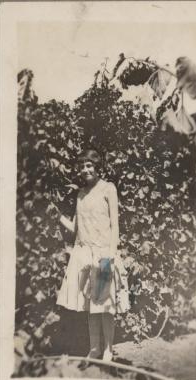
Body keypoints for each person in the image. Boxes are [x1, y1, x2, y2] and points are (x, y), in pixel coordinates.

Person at [55, 149, 129, 362]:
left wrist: (111, 254)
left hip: (104, 253)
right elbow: (75, 228)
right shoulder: (80, 194)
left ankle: (108, 349)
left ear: (98, 167)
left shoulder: (108, 189)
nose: (85, 169)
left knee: (105, 305)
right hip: (84, 254)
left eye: (89, 165)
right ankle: (95, 347)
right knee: (91, 306)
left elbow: (115, 225)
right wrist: (56, 214)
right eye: (82, 166)